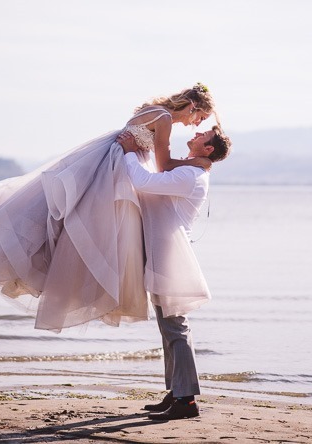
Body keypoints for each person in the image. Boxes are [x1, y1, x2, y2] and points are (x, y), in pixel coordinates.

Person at [0, 83, 218, 332]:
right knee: (105, 233)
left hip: (109, 160)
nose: (196, 124)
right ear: (193, 107)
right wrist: (200, 164)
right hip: (118, 168)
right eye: (200, 118)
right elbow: (164, 165)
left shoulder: (154, 110)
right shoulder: (165, 118)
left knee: (79, 221)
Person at [117, 126, 232, 420]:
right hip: (164, 252)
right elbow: (157, 172)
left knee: (175, 328)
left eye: (202, 135)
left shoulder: (189, 175)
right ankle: (177, 391)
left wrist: (130, 151)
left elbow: (142, 182)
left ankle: (186, 401)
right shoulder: (189, 171)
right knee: (170, 328)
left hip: (170, 255)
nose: (195, 134)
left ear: (207, 149)